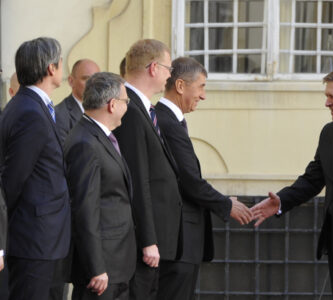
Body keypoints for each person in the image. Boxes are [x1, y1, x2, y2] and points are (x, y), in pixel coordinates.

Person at [251, 66, 333, 299]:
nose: (327, 103)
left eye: (332, 97)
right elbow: (314, 178)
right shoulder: (329, 132)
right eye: (326, 97)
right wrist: (281, 201)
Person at [155, 57, 252, 300]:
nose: (203, 95)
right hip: (178, 244)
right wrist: (226, 204)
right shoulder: (166, 122)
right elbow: (189, 181)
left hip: (180, 243)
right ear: (180, 86)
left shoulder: (168, 120)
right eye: (201, 87)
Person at [0, 37, 71, 300]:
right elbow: (11, 181)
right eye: (61, 62)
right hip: (34, 240)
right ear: (51, 68)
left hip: (45, 239)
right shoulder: (30, 111)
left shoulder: (31, 104)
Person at [112, 39, 184, 300]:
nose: (170, 75)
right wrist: (148, 239)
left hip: (154, 238)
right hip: (143, 241)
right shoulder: (129, 109)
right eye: (168, 68)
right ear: (153, 68)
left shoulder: (142, 107)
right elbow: (137, 178)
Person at [64, 72, 136, 300]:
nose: (128, 106)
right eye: (126, 101)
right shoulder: (85, 142)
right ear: (112, 104)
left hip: (117, 262)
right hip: (102, 269)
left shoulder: (100, 136)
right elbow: (85, 209)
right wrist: (96, 267)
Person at [56, 59, 100, 144]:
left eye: (97, 79)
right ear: (71, 81)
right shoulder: (60, 115)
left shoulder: (103, 111)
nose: (92, 84)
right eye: (86, 79)